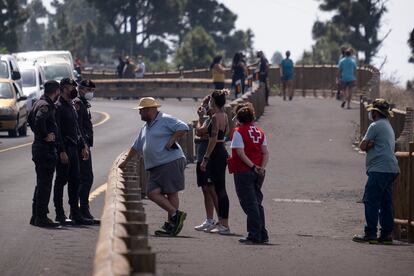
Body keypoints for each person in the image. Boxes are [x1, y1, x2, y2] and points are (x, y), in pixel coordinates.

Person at [119, 97, 188, 236]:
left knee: (170, 192)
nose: (139, 113)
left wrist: (172, 140)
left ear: (149, 110)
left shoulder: (165, 119)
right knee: (153, 192)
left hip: (170, 161)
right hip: (157, 166)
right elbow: (136, 146)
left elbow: (183, 127)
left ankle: (173, 223)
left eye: (141, 111)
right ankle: (175, 217)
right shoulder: (146, 127)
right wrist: (125, 162)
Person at [353, 99, 400, 244]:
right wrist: (369, 144)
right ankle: (386, 235)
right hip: (391, 169)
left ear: (375, 113)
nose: (370, 113)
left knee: (371, 200)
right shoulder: (387, 125)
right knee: (386, 202)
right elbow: (367, 145)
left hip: (379, 169)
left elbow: (362, 146)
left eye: (372, 111)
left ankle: (370, 233)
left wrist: (368, 144)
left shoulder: (375, 126)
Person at [228, 103, 269, 244]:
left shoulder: (238, 132)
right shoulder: (260, 132)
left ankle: (254, 234)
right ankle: (262, 233)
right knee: (257, 203)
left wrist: (252, 167)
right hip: (259, 171)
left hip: (244, 171)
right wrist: (261, 167)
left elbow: (240, 153)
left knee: (249, 204)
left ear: (239, 119)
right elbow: (265, 153)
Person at [54, 78, 93, 225]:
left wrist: (83, 145)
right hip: (64, 150)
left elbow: (78, 128)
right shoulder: (58, 107)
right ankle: (59, 213)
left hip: (75, 149)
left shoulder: (71, 105)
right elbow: (57, 130)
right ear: (64, 88)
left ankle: (75, 213)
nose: (73, 89)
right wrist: (61, 150)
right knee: (61, 181)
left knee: (75, 181)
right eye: (71, 87)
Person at [29, 80, 61, 228]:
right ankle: (41, 217)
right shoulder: (46, 106)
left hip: (40, 148)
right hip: (44, 149)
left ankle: (36, 215)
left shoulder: (38, 102)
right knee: (45, 184)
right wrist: (45, 135)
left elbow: (30, 119)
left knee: (41, 182)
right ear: (56, 92)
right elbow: (38, 120)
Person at [200, 90, 231, 235]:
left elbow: (212, 139)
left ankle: (224, 224)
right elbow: (226, 133)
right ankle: (222, 222)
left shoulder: (214, 117)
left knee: (219, 189)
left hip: (215, 153)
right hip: (222, 150)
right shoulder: (224, 115)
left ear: (213, 102)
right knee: (221, 188)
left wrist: (206, 158)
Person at [73, 79, 99, 224]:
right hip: (80, 147)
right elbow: (77, 127)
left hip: (84, 145)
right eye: (90, 90)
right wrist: (83, 145)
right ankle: (80, 211)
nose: (91, 94)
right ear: (81, 89)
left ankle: (83, 210)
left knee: (85, 178)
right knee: (85, 178)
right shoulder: (78, 103)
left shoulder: (83, 103)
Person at [194, 96, 219, 231]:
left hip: (207, 157)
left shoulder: (212, 118)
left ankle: (221, 219)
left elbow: (199, 131)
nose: (203, 107)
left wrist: (200, 117)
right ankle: (209, 219)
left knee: (211, 189)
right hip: (201, 155)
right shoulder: (209, 118)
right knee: (205, 189)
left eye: (206, 104)